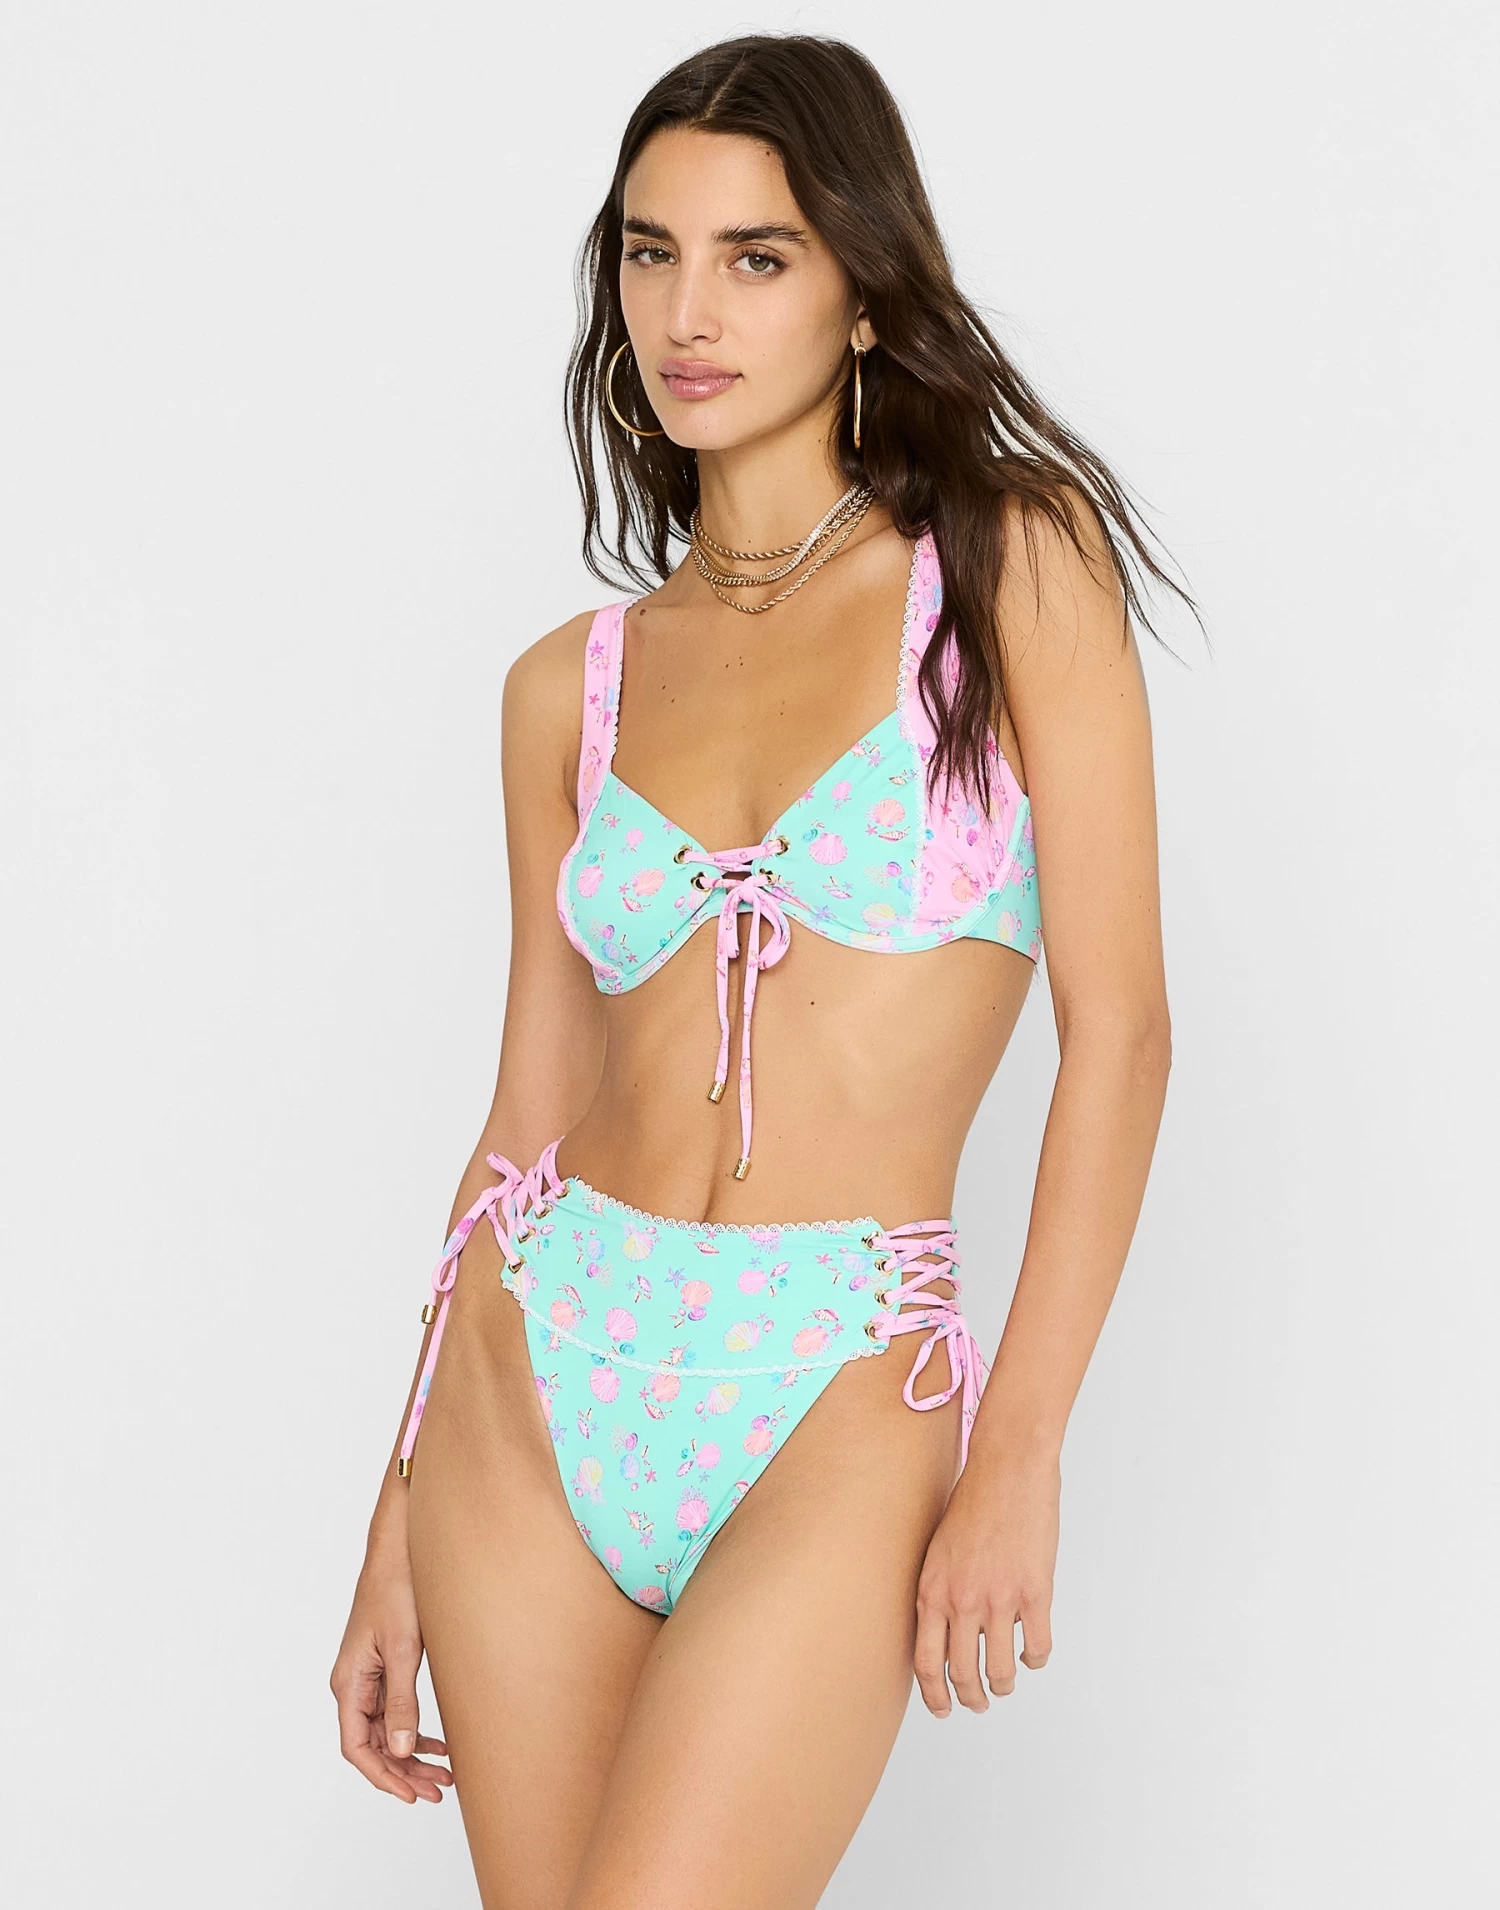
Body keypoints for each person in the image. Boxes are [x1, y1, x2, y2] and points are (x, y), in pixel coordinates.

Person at [331, 32, 1182, 1907]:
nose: (689, 311)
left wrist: (1022, 1447)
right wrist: (392, 1505)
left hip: (841, 1377)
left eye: (757, 255)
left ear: (864, 287)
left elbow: (1121, 1036)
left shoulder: (1010, 574)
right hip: (537, 1372)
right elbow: (527, 1110)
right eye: (651, 252)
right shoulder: (567, 686)